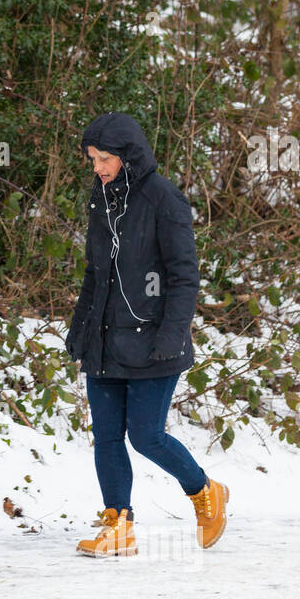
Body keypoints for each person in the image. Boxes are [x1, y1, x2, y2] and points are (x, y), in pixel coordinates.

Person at [64, 112, 230, 557]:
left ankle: (205, 492)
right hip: (105, 337)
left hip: (154, 339)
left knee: (146, 436)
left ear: (129, 156)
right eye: (93, 158)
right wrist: (81, 329)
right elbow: (95, 272)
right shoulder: (100, 199)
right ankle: (118, 525)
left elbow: (183, 276)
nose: (98, 167)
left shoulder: (163, 199)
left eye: (105, 158)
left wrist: (172, 334)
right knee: (107, 436)